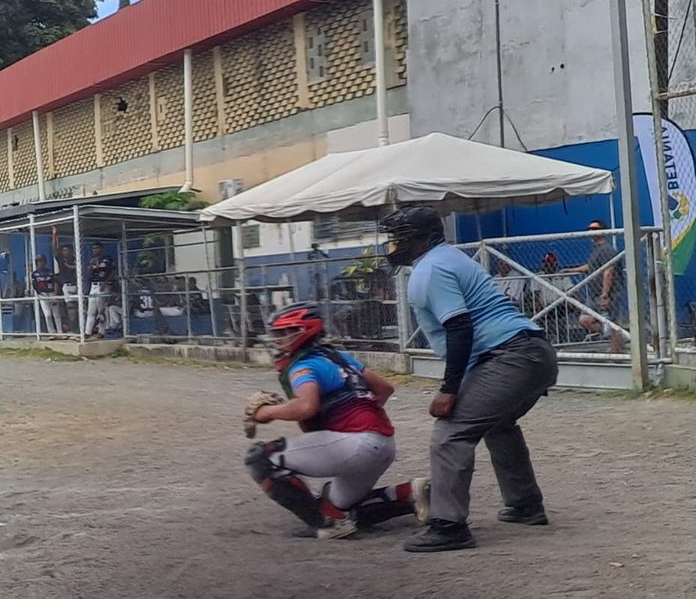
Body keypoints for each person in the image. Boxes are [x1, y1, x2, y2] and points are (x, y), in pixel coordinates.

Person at [380, 205, 557, 553]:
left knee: (450, 434)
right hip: (531, 352)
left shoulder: (429, 269)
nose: (393, 243)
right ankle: (524, 505)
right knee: (498, 424)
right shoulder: (448, 257)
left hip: (511, 356)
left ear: (421, 238)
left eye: (399, 236)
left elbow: (459, 327)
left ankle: (448, 527)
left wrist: (448, 389)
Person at [243, 302, 431, 539]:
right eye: (277, 333)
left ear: (307, 330)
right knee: (335, 504)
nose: (279, 338)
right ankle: (408, 493)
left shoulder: (304, 365)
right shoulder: (338, 356)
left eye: (285, 332)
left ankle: (329, 525)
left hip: (356, 444)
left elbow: (305, 406)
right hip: (382, 444)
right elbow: (384, 389)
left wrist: (266, 413)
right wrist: (357, 415)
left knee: (261, 459)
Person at [565, 220, 626, 352]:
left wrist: (605, 294)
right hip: (594, 294)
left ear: (603, 231)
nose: (590, 231)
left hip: (608, 293)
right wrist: (573, 270)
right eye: (589, 228)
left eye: (594, 228)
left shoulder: (606, 249)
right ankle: (611, 335)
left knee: (612, 322)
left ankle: (616, 350)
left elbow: (608, 272)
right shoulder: (596, 250)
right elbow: (593, 266)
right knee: (585, 319)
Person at [84, 241, 121, 339]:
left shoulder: (107, 259)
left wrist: (105, 283)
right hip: (94, 285)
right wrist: (90, 268)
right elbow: (89, 275)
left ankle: (101, 332)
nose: (95, 250)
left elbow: (113, 271)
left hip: (103, 285)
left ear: (101, 249)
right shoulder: (92, 260)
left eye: (97, 248)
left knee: (101, 310)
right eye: (94, 248)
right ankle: (87, 332)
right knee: (91, 310)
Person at [31, 254, 64, 336]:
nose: (40, 263)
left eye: (41, 261)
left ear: (45, 262)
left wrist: (55, 293)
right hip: (43, 295)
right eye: (38, 261)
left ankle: (60, 332)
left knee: (56, 314)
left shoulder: (50, 272)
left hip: (52, 293)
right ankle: (51, 332)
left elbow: (56, 282)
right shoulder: (35, 274)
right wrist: (39, 293)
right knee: (47, 314)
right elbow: (35, 285)